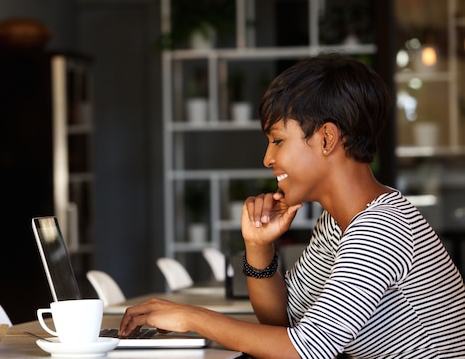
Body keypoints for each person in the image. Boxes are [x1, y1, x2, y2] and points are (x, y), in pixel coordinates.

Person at [119, 54, 465, 358]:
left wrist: (193, 317)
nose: (268, 158)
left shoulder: (381, 227)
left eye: (278, 140)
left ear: (327, 139)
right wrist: (258, 247)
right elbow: (282, 321)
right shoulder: (338, 222)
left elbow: (305, 350)